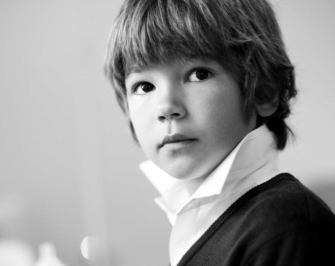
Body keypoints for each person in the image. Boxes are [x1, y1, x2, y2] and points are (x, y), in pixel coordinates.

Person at [104, 0, 335, 265]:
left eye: (198, 74)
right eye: (144, 87)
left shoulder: (287, 227)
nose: (166, 107)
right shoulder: (204, 226)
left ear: (265, 90)